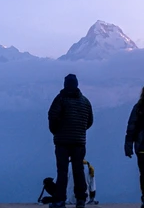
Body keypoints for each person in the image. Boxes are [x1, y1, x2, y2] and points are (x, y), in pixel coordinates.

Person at [47, 74, 93, 208]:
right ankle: (81, 199)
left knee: (62, 171)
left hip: (62, 142)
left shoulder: (60, 99)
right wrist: (79, 131)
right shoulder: (85, 101)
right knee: (78, 170)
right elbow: (89, 121)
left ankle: (60, 200)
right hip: (79, 142)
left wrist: (56, 131)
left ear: (65, 84)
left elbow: (52, 117)